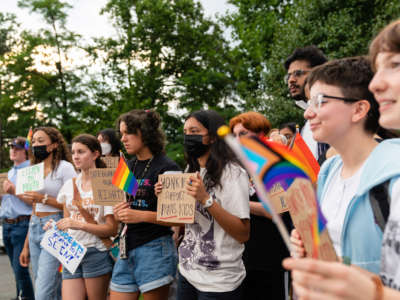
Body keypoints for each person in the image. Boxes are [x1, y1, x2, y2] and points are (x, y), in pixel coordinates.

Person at [283, 19, 400, 300]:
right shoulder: (328, 171)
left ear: (359, 110)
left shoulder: (393, 176)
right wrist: (311, 249)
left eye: (320, 101)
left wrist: (373, 294)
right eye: (308, 103)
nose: (307, 113)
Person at [169, 110, 250, 300]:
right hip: (188, 272)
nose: (189, 137)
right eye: (186, 132)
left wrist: (206, 199)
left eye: (194, 131)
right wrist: (167, 197)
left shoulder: (233, 174)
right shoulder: (192, 169)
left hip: (218, 281)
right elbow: (184, 218)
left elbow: (242, 233)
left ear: (212, 137)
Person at [110, 109, 181, 300]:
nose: (123, 139)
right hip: (126, 248)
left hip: (155, 248)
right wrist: (119, 213)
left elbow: (177, 218)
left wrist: (140, 216)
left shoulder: (168, 167)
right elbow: (124, 205)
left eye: (128, 133)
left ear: (145, 133)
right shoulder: (127, 166)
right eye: (121, 133)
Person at [229, 112, 291, 300]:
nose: (238, 139)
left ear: (262, 133)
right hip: (243, 256)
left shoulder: (277, 165)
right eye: (235, 135)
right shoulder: (239, 167)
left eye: (244, 133)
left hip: (271, 255)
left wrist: (238, 204)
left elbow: (276, 211)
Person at [55, 134, 118, 300]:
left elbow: (112, 228)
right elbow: (67, 223)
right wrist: (56, 227)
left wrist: (78, 224)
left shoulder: (108, 182)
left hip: (96, 250)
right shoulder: (69, 185)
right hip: (71, 251)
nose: (75, 156)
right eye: (73, 152)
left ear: (95, 154)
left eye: (81, 152)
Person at [17, 127, 77, 300]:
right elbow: (34, 208)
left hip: (55, 226)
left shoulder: (64, 168)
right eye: (34, 141)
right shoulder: (33, 169)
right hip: (35, 225)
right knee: (49, 286)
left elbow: (72, 204)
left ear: (54, 145)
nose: (36, 145)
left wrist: (43, 198)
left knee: (43, 291)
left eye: (41, 141)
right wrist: (26, 245)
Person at [1, 137, 34, 300]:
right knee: (15, 269)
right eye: (11, 147)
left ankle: (27, 297)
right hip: (7, 223)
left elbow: (32, 200)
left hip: (22, 223)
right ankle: (19, 296)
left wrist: (13, 191)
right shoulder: (12, 171)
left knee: (20, 268)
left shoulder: (29, 170)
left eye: (18, 148)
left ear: (26, 152)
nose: (13, 150)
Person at [284, 45, 329, 161]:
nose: (291, 80)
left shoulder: (333, 114)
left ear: (318, 72)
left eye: (298, 73)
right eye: (288, 76)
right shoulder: (306, 125)